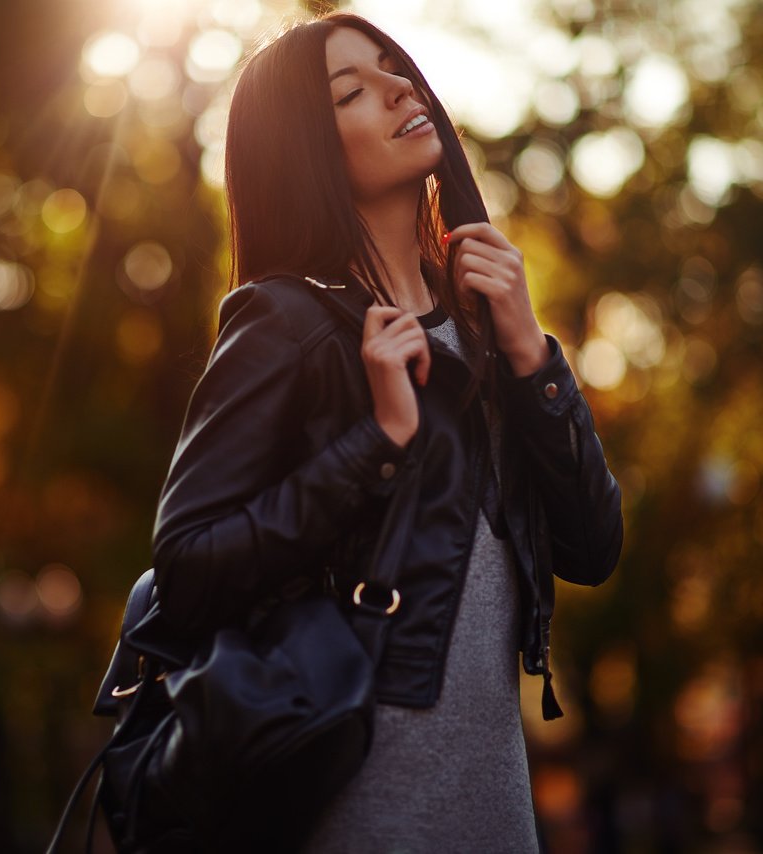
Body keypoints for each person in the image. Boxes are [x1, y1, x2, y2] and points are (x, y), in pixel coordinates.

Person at [151, 11, 623, 853]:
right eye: (351, 91)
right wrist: (376, 443)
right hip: (361, 814)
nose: (400, 86)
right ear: (307, 149)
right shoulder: (284, 324)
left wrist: (531, 356)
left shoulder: (485, 334)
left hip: (498, 815)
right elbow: (186, 569)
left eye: (392, 66)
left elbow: (591, 548)